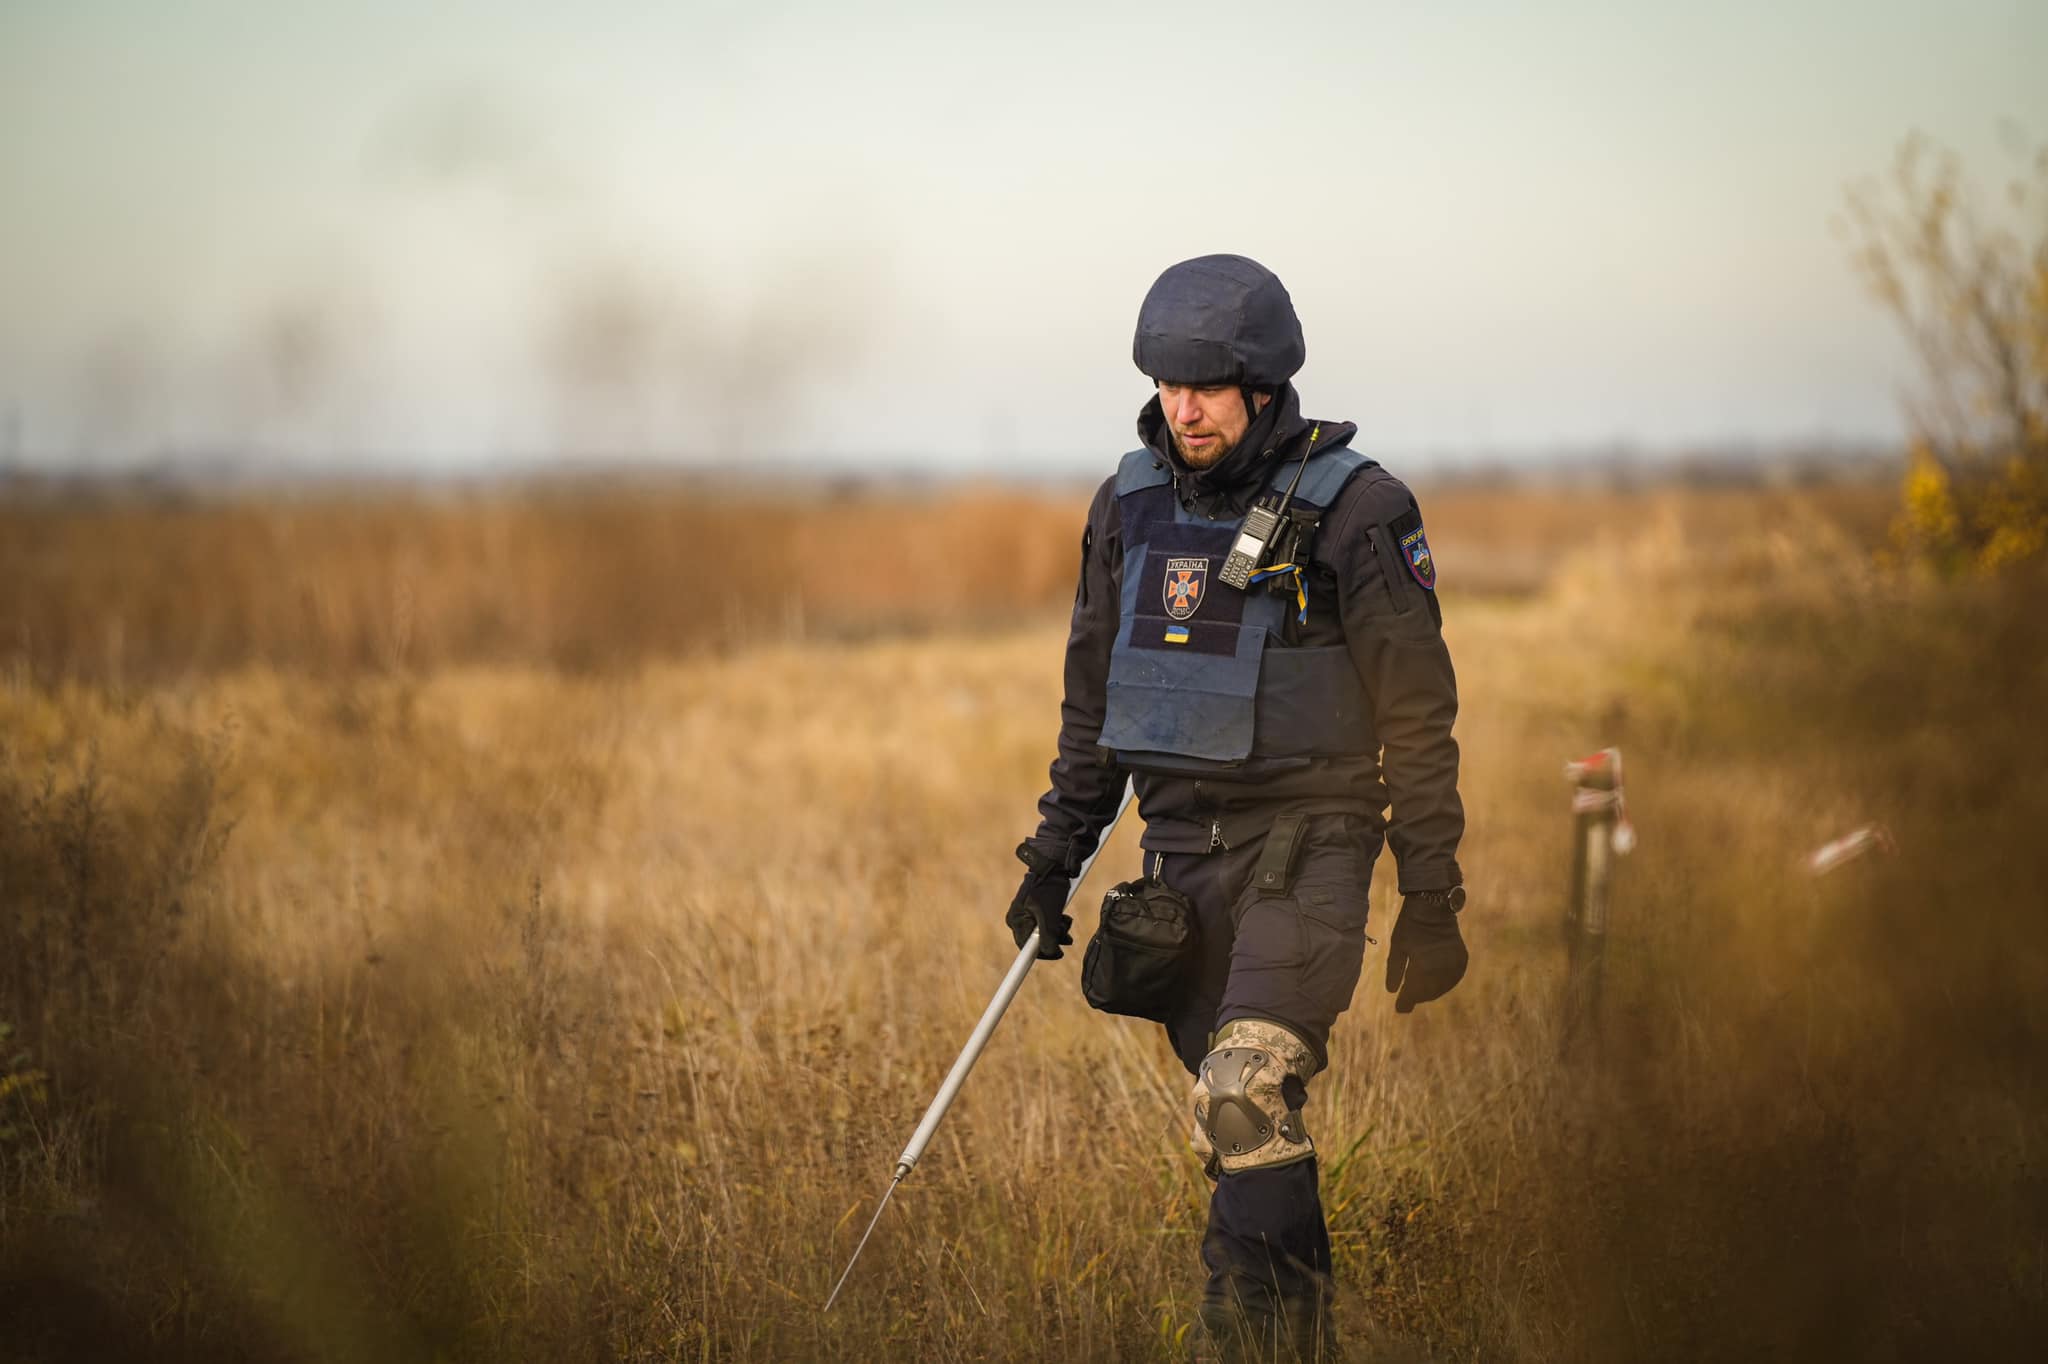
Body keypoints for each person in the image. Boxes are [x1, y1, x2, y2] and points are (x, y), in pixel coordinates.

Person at [1006, 254, 1468, 1360]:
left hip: (1311, 845)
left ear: (1262, 387)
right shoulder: (1126, 506)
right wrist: (1051, 859)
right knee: (1251, 1136)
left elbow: (1417, 716)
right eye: (1168, 385)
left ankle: (1238, 1343)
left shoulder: (1358, 508)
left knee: (1242, 1092)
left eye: (1207, 388)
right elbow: (1096, 703)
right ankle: (1303, 1339)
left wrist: (1431, 892)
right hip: (1179, 863)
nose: (1184, 409)